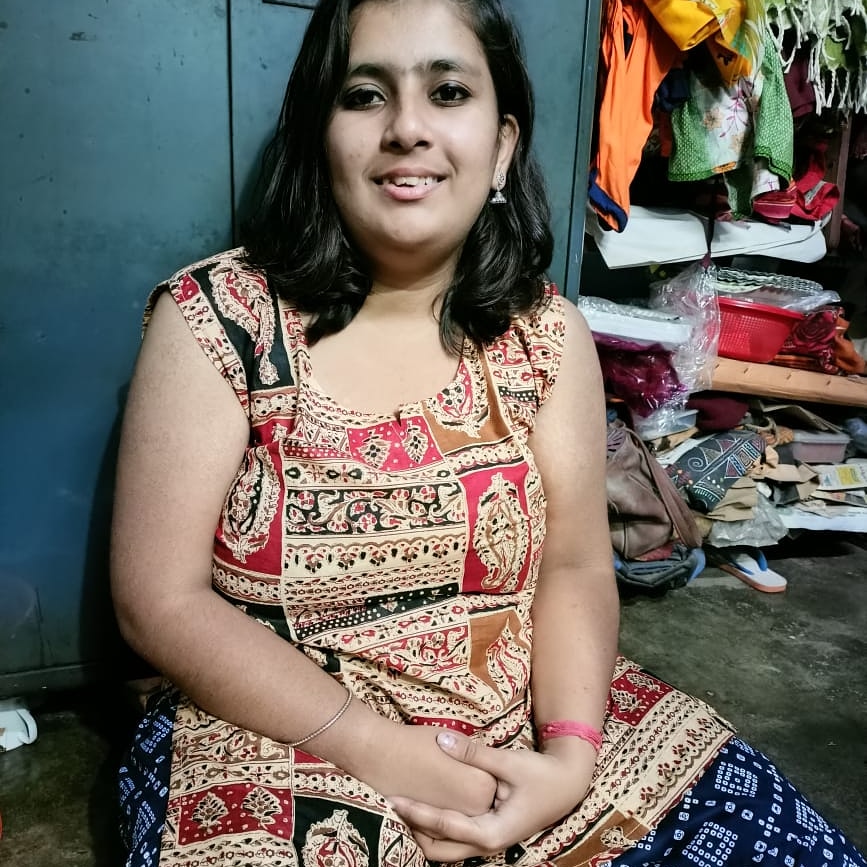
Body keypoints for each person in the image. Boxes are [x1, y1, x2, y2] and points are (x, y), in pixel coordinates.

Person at [110, 0, 867, 864]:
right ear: (318, 131)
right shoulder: (219, 318)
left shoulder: (545, 335)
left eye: (447, 92)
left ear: (502, 144)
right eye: (364, 95)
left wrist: (569, 759)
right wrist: (382, 750)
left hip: (526, 717)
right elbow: (159, 600)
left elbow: (575, 566)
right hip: (283, 732)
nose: (406, 128)